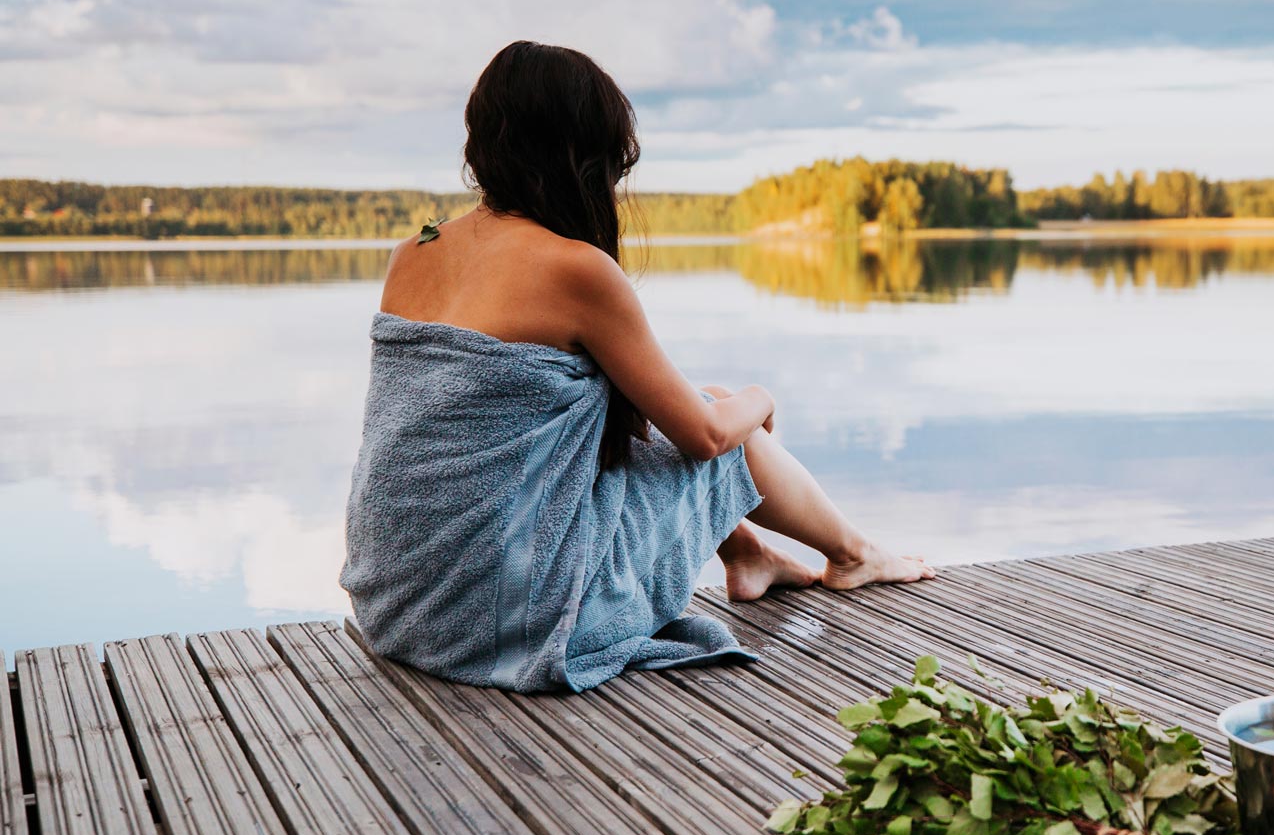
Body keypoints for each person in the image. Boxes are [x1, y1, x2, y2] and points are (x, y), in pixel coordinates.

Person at [340, 41, 931, 692]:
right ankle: (853, 555)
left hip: (398, 610)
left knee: (697, 406)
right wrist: (761, 398)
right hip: (503, 620)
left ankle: (752, 555)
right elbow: (702, 438)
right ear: (586, 155)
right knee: (723, 420)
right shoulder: (573, 267)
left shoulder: (413, 249)